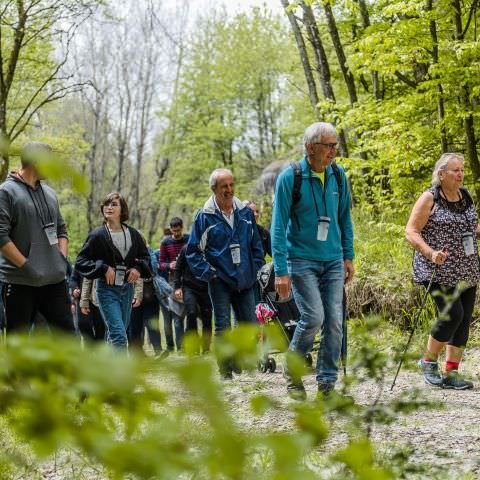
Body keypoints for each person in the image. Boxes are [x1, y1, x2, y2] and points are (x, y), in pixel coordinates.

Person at [271, 122, 354, 399]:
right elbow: (278, 226)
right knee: (314, 316)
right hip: (301, 260)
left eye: (335, 145)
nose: (334, 151)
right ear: (310, 148)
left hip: (332, 260)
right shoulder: (290, 178)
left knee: (335, 321)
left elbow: (344, 219)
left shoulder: (338, 176)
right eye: (328, 146)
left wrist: (348, 255)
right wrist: (281, 271)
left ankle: (327, 385)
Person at [406, 153, 479, 390]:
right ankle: (428, 361)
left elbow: (470, 226)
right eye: (455, 170)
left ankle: (451, 372)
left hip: (466, 266)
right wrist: (430, 253)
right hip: (437, 268)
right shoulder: (430, 198)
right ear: (441, 174)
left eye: (462, 170)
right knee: (452, 314)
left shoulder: (464, 195)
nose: (460, 174)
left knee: (464, 319)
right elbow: (412, 231)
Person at [187, 168, 265, 379]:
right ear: (214, 189)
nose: (229, 190)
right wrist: (209, 273)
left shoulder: (245, 213)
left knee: (250, 326)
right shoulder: (204, 217)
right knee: (223, 325)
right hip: (219, 280)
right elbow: (193, 252)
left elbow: (256, 245)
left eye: (232, 185)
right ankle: (225, 371)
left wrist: (255, 267)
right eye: (224, 186)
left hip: (245, 279)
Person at [0, 141, 74, 333]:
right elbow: (1, 236)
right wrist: (27, 266)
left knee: (68, 339)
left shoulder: (50, 193)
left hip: (54, 282)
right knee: (21, 346)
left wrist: (61, 258)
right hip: (20, 282)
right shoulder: (6, 192)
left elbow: (61, 230)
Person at [75, 192, 151, 350]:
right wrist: (102, 268)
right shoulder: (97, 235)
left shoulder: (133, 234)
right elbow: (80, 262)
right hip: (106, 290)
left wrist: (137, 268)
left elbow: (145, 257)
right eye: (106, 204)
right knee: (119, 336)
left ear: (122, 210)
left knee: (117, 333)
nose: (109, 207)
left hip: (127, 288)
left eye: (114, 204)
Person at [128, 239, 166, 358]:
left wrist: (148, 250)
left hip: (150, 295)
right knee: (135, 326)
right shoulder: (128, 256)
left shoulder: (149, 254)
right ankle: (137, 354)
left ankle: (158, 350)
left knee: (152, 324)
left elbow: (154, 270)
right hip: (133, 295)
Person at [174, 245, 212, 354]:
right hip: (189, 287)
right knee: (191, 313)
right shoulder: (186, 249)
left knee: (207, 316)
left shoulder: (210, 248)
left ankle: (206, 348)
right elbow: (178, 268)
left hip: (206, 287)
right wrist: (177, 287)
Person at [158, 217, 189, 351]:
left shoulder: (189, 239)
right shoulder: (165, 243)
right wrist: (169, 265)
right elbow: (160, 263)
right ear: (170, 229)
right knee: (177, 314)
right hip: (173, 281)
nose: (176, 233)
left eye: (178, 230)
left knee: (190, 314)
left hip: (189, 280)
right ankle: (180, 347)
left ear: (182, 227)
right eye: (173, 231)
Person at [70, 266, 105, 341]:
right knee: (83, 324)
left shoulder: (103, 259)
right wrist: (75, 289)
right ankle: (89, 346)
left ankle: (99, 347)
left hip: (99, 299)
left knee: (101, 326)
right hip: (83, 298)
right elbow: (73, 279)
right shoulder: (81, 260)